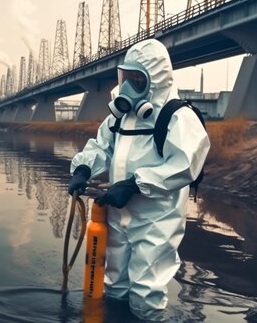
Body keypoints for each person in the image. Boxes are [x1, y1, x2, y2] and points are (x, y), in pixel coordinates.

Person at [67, 38, 210, 321]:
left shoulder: (177, 116)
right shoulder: (120, 117)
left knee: (146, 292)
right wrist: (82, 169)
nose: (129, 87)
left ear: (154, 80)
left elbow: (185, 164)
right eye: (126, 77)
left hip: (156, 219)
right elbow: (101, 147)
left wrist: (134, 185)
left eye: (137, 79)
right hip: (118, 215)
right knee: (115, 285)